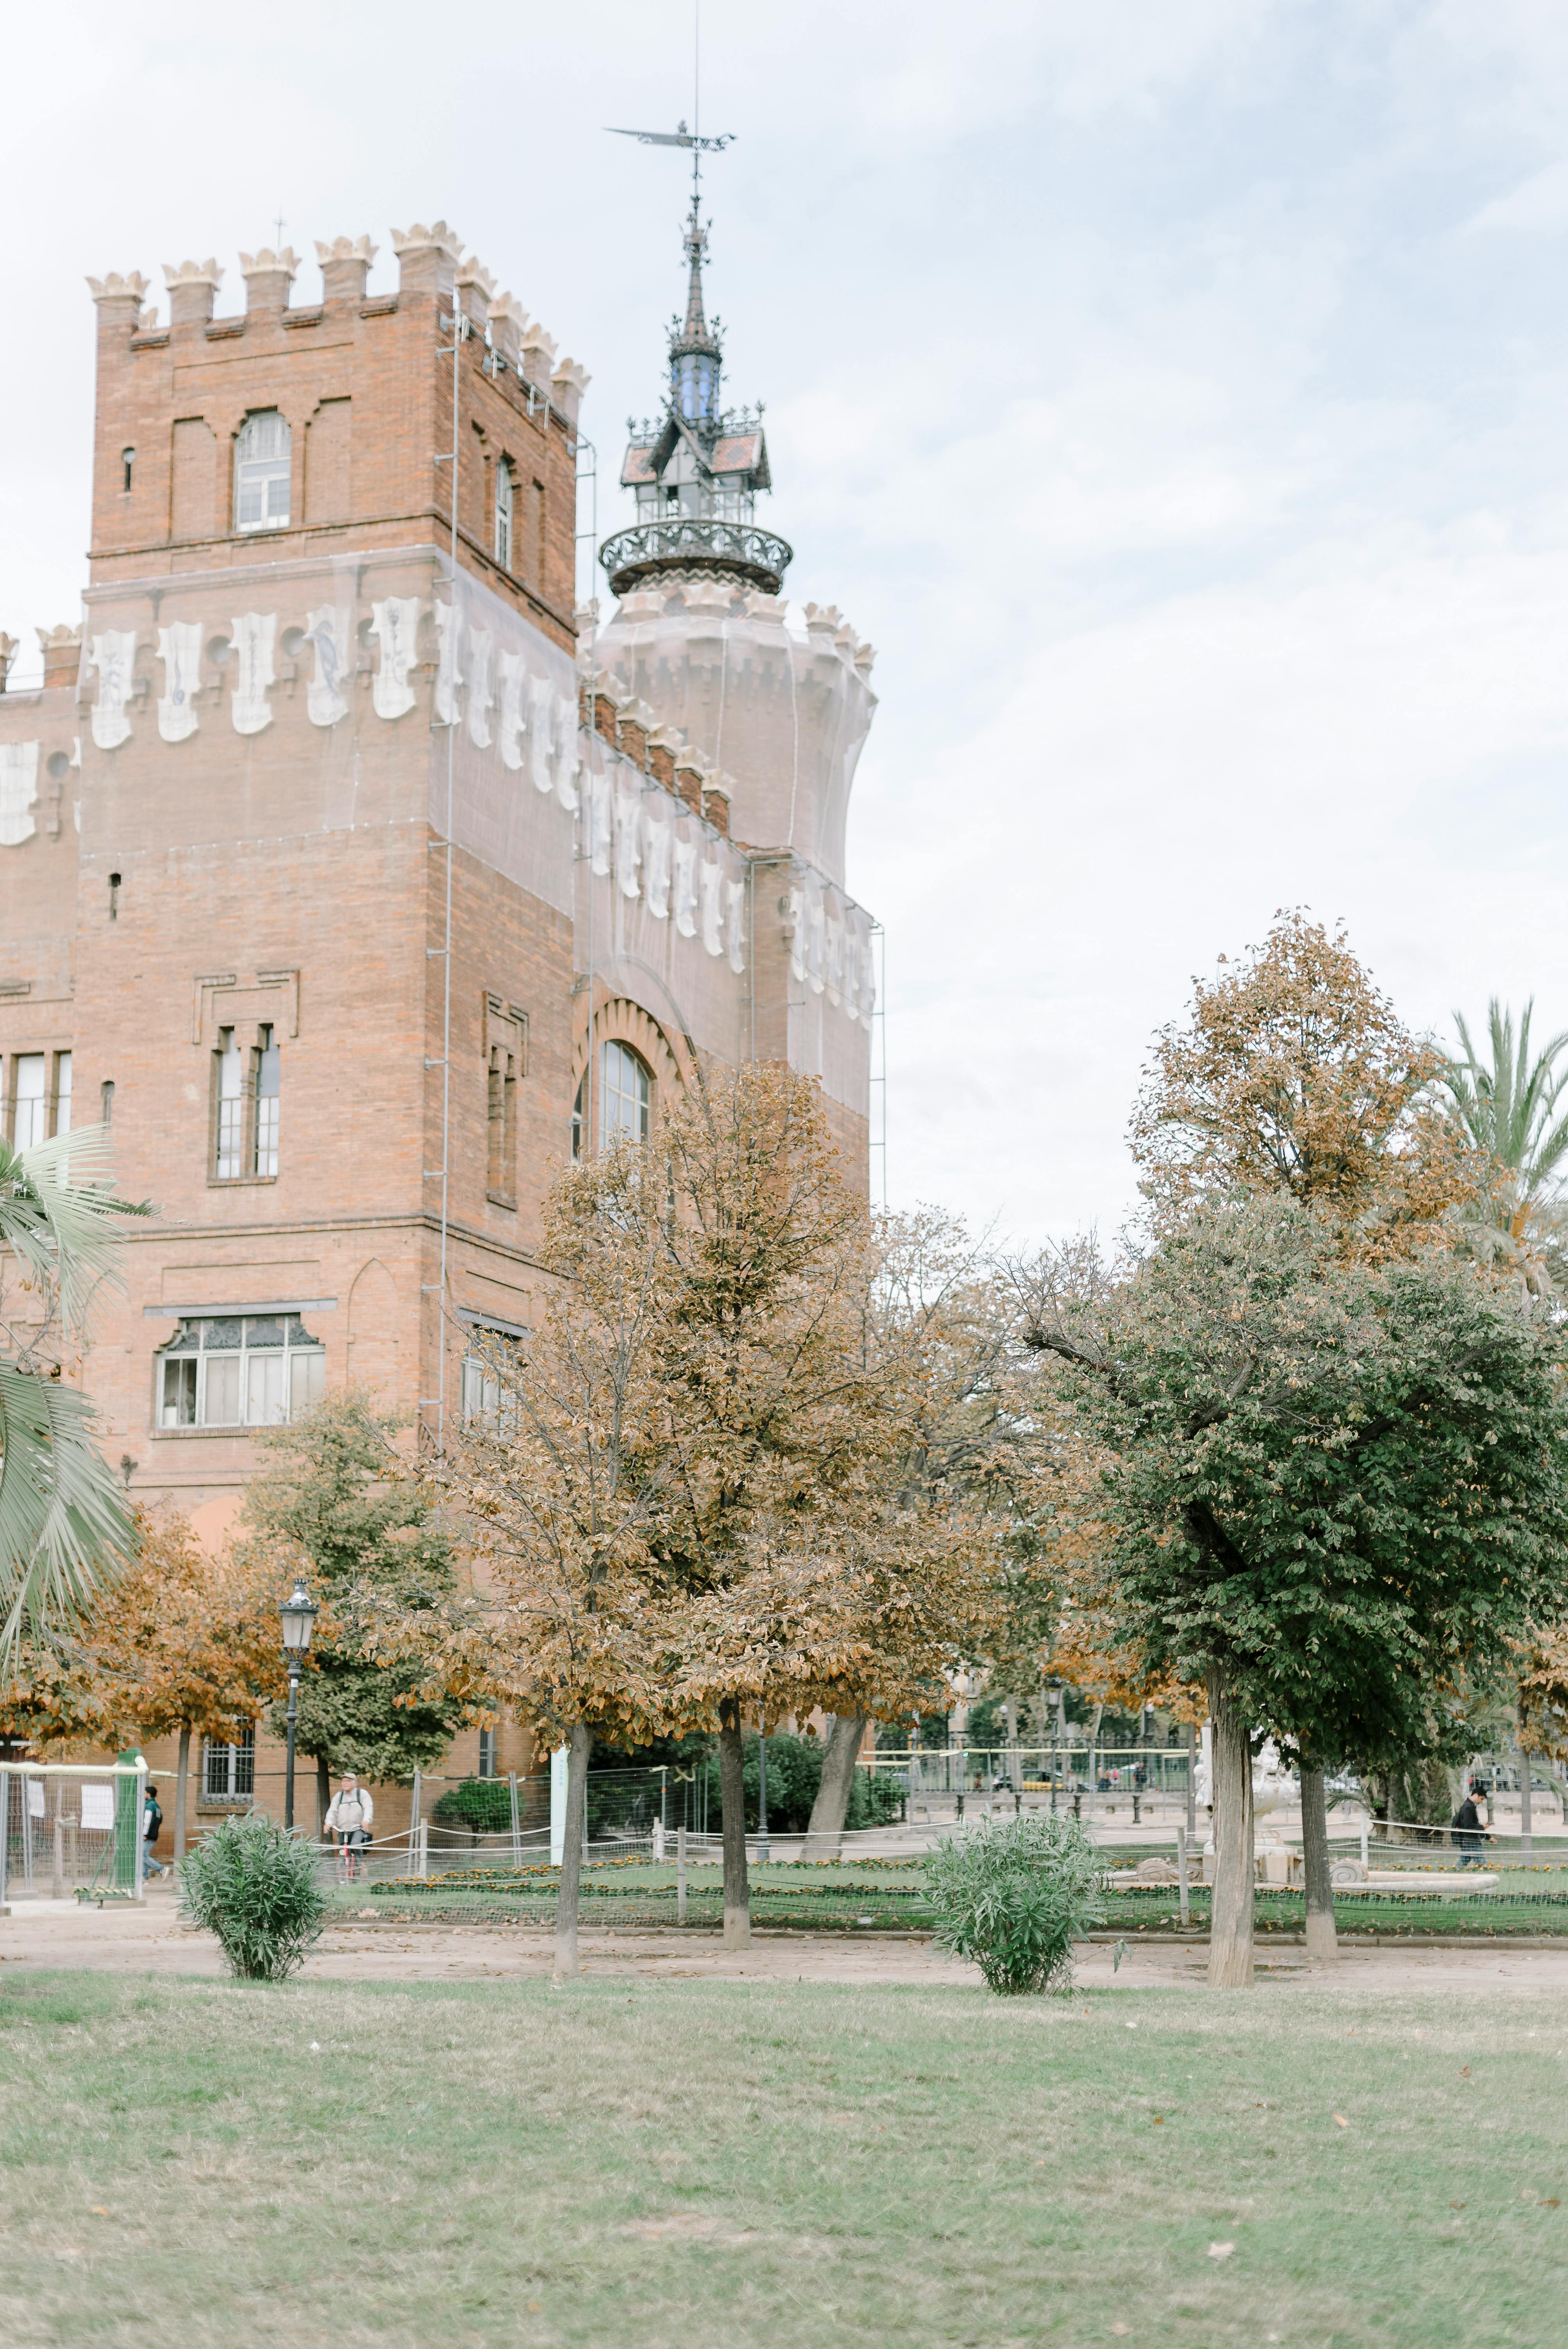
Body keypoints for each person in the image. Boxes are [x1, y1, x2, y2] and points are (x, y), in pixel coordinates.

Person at [323, 1773, 374, 1878]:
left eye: (348, 1781)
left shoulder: (362, 1794)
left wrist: (366, 1821)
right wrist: (328, 1823)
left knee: (355, 1845)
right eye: (343, 1781)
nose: (345, 1783)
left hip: (357, 1828)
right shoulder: (339, 1796)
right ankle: (343, 1868)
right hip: (343, 1830)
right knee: (343, 1849)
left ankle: (360, 1864)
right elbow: (332, 1811)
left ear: (355, 1783)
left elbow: (368, 1808)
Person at [1451, 1779, 1486, 1868]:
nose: (1482, 1801)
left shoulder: (1469, 1806)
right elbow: (1468, 1826)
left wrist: (1489, 1837)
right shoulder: (1468, 1808)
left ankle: (1455, 1872)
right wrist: (1482, 1827)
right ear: (1476, 1796)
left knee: (1462, 1864)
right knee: (1483, 1865)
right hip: (1471, 1841)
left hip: (1467, 1841)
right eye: (1482, 1799)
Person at [142, 1784, 168, 1877]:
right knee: (143, 1856)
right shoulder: (157, 1806)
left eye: (145, 1793)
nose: (144, 1794)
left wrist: (145, 1834)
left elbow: (147, 1821)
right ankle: (144, 1877)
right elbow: (160, 1819)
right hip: (154, 1834)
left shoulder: (149, 1806)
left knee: (143, 1856)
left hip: (148, 1835)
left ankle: (161, 1869)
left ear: (149, 1794)